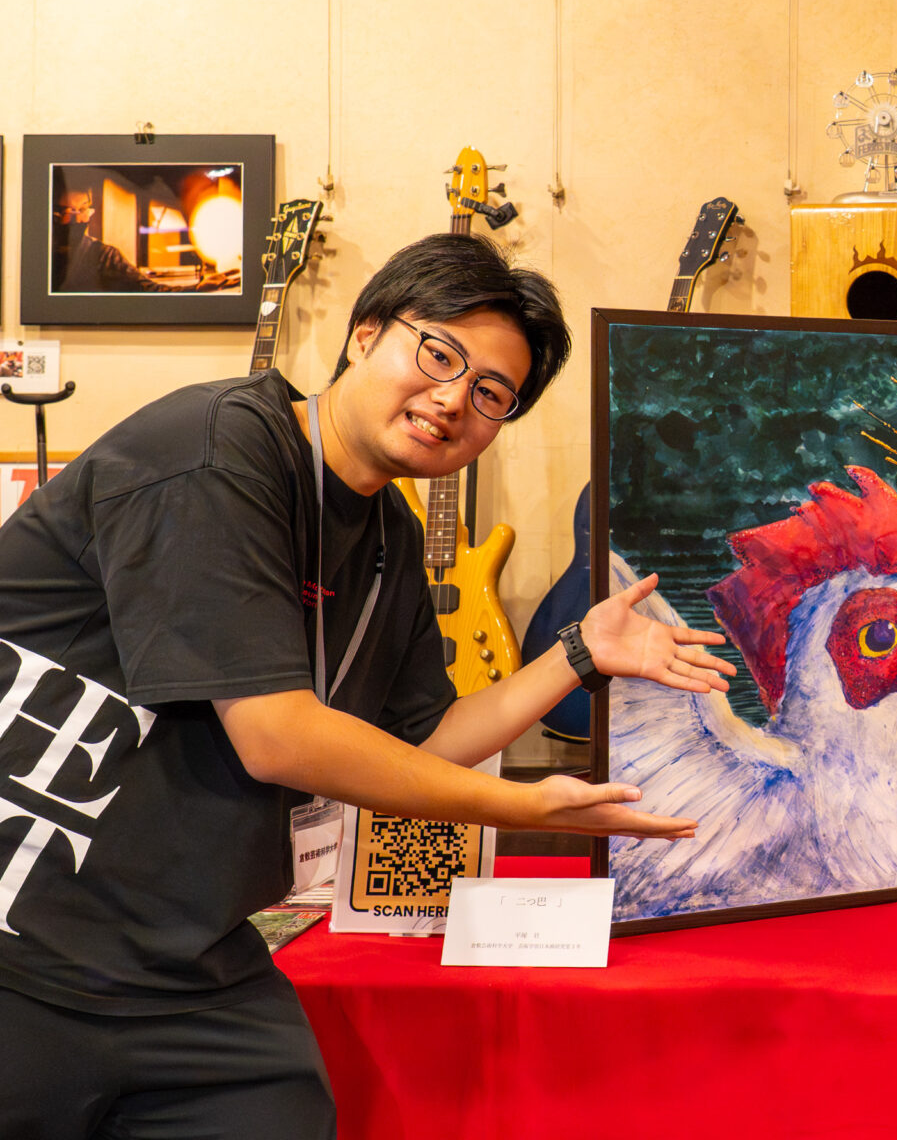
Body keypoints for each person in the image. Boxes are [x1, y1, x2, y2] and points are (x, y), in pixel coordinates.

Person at [0, 232, 735, 1139]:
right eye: (440, 354)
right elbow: (276, 736)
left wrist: (578, 653)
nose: (453, 399)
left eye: (491, 393)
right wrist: (521, 807)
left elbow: (423, 742)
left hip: (186, 959)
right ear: (366, 332)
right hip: (26, 937)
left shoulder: (389, 533)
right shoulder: (213, 449)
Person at [50, 184, 159, 293]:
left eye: (83, 209)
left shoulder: (104, 256)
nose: (78, 219)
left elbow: (150, 289)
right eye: (70, 212)